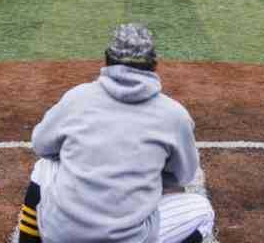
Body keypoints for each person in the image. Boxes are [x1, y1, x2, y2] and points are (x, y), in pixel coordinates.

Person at [17, 23, 215, 243]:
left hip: (63, 236)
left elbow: (41, 145)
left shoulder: (77, 97)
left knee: (44, 165)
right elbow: (184, 176)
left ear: (107, 59)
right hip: (130, 239)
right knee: (202, 211)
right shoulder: (174, 115)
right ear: (154, 64)